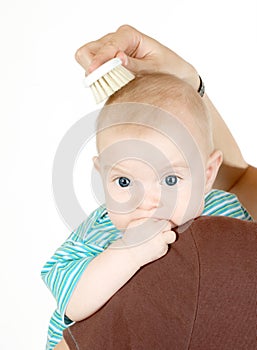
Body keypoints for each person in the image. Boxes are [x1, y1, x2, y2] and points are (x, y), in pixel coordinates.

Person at [42, 26, 256, 350]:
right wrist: (126, 254)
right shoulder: (96, 235)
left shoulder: (224, 209)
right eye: (124, 182)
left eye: (171, 180)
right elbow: (73, 302)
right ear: (101, 175)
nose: (148, 202)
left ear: (208, 173)